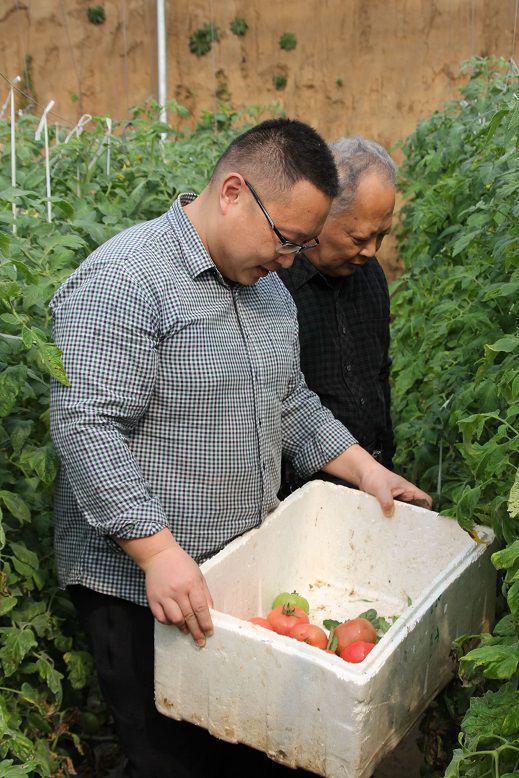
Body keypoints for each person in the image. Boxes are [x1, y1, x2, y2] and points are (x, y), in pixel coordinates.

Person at [49, 119, 431, 778]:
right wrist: (158, 551)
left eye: (304, 244)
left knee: (242, 748)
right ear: (232, 192)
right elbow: (87, 427)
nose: (290, 259)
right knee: (170, 759)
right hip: (140, 587)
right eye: (285, 239)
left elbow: (292, 405)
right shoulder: (126, 280)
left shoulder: (267, 291)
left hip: (232, 573)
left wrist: (367, 471)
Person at [279, 137, 398, 495]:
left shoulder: (370, 273)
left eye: (382, 235)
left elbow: (378, 374)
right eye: (359, 237)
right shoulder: (274, 284)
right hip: (302, 496)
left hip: (372, 479)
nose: (371, 250)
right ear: (320, 214)